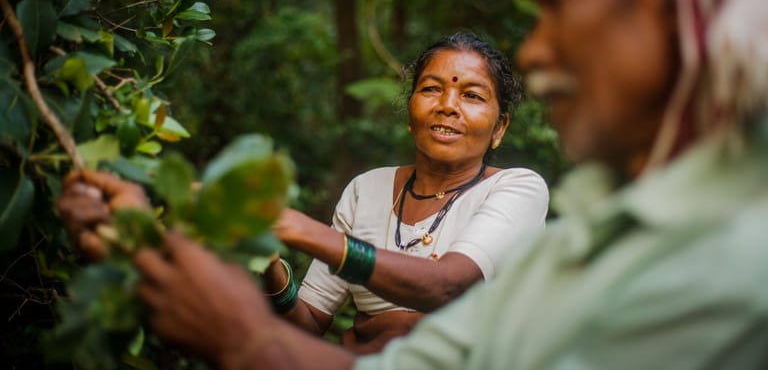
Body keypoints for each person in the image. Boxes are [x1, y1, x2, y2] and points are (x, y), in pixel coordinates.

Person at [57, 0, 768, 368]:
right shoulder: (588, 244)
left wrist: (287, 233)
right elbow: (309, 335)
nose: (539, 49)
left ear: (685, 3)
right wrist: (154, 255)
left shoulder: (731, 260)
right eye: (432, 88)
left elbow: (448, 286)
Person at [59, 33, 550, 353]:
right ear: (410, 112)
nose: (448, 106)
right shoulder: (368, 188)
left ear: (500, 128)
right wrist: (270, 263)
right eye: (432, 89)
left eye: (471, 95)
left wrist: (293, 225)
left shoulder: (518, 189)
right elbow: (307, 324)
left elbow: (447, 286)